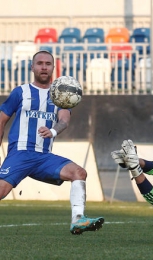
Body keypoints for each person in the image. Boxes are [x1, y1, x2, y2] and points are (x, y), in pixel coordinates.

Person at [0, 50, 104, 235]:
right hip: (20, 155)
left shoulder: (61, 94)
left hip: (43, 157)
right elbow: (1, 120)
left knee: (79, 173)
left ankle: (78, 219)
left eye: (48, 64)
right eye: (39, 63)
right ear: (32, 67)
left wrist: (53, 130)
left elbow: (64, 120)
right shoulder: (20, 92)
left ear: (53, 68)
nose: (43, 67)